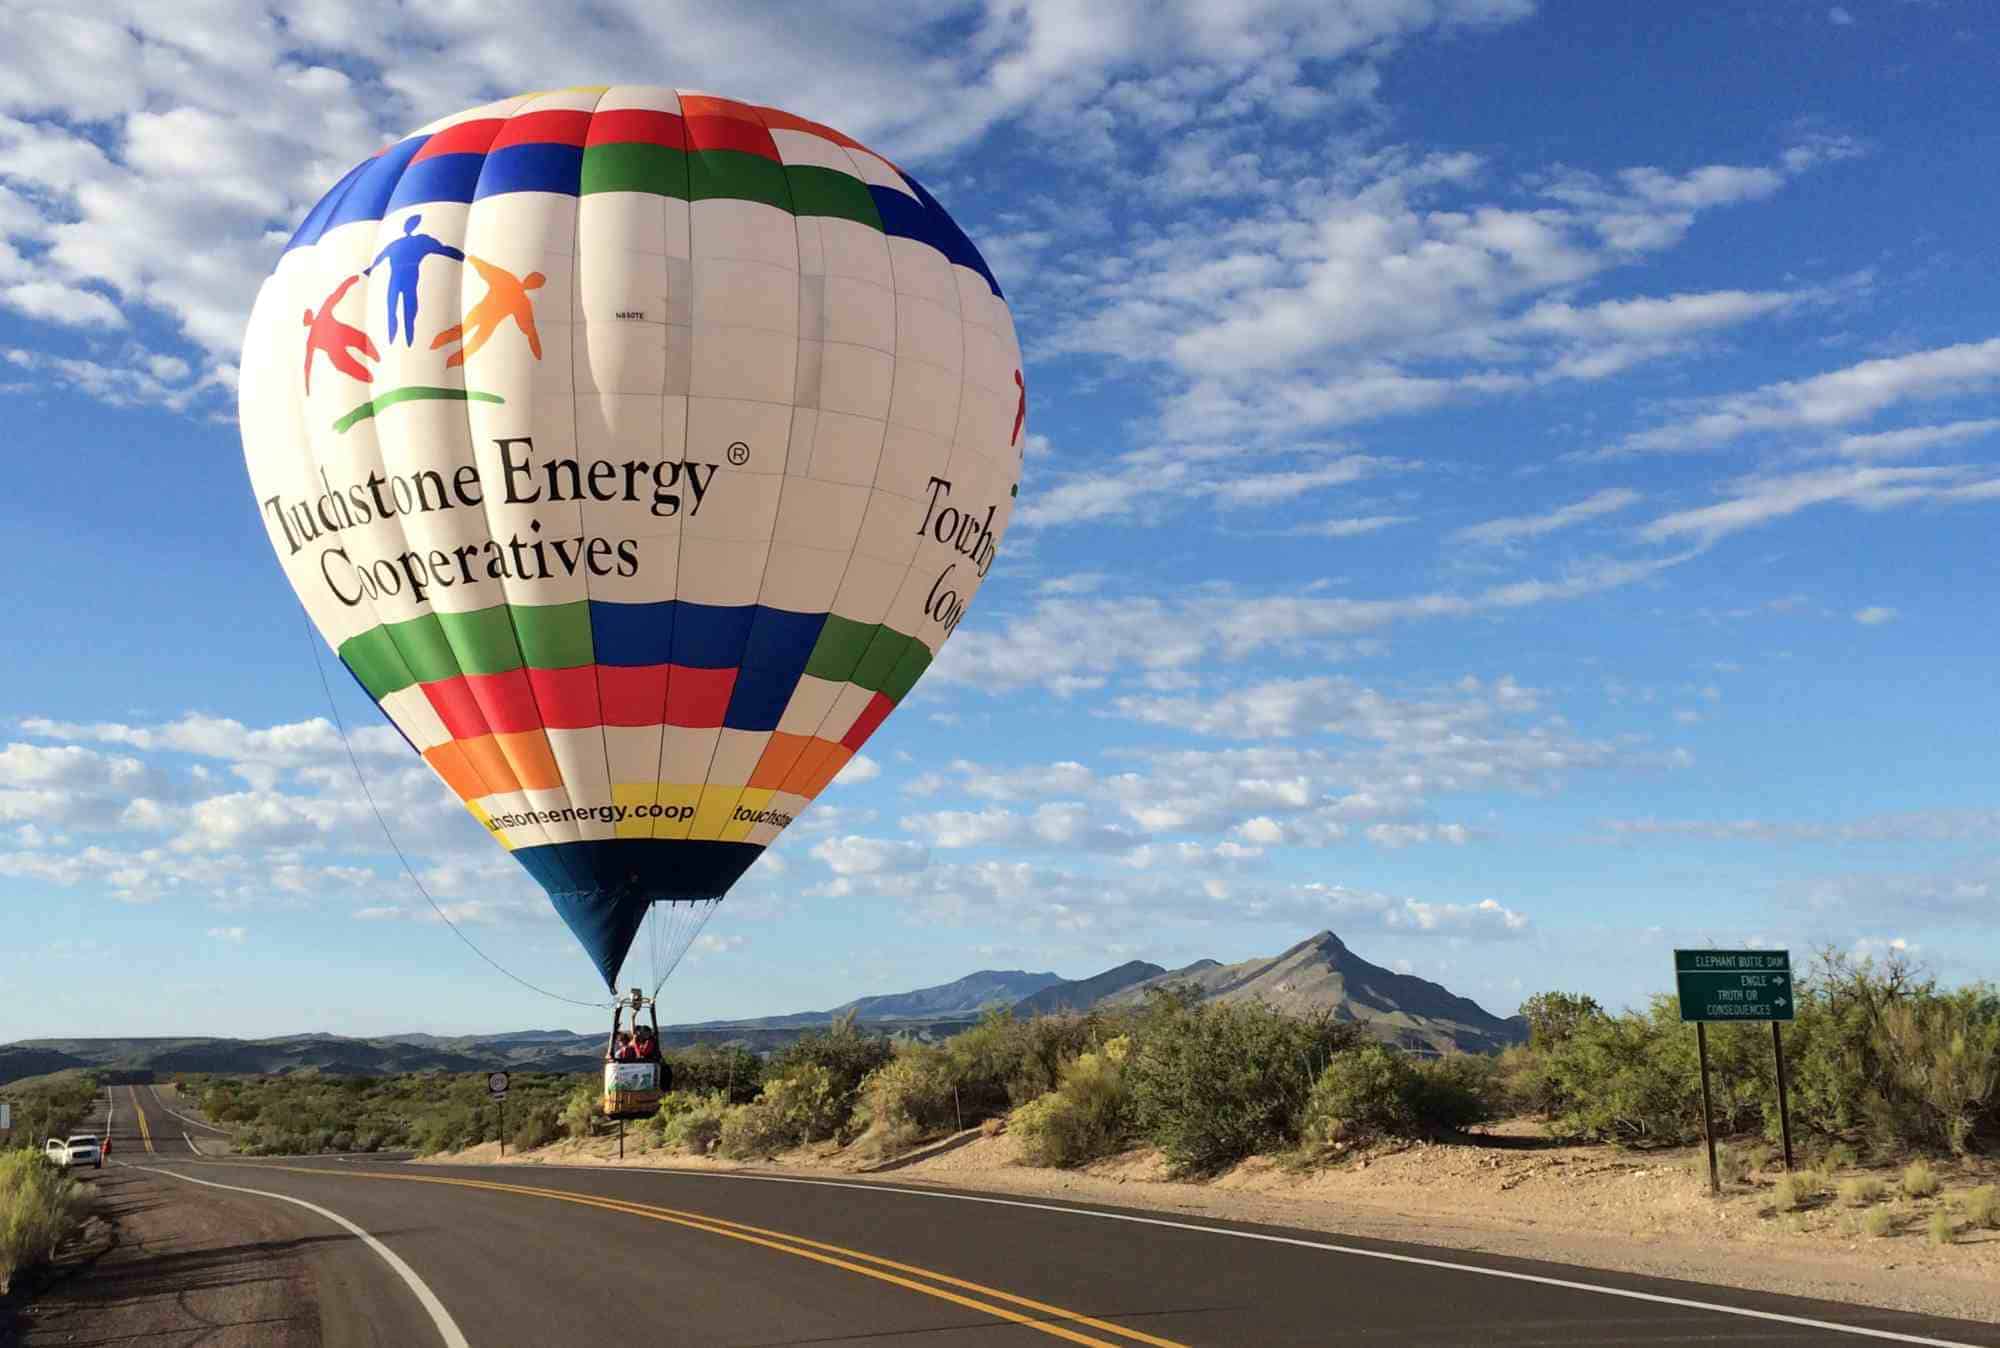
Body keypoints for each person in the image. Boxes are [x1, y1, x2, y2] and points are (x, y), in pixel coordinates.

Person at [363, 214, 464, 346]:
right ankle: (402, 341)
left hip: (401, 281)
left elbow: (442, 249)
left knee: (403, 310)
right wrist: (461, 256)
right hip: (404, 280)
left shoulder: (407, 243)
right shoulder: (417, 242)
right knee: (401, 310)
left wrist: (461, 256)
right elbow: (442, 249)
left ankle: (407, 342)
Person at [430, 254, 545, 367]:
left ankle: (447, 359)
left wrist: (537, 352)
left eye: (535, 283)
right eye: (534, 282)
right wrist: (473, 260)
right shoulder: (513, 287)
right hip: (480, 314)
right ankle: (439, 351)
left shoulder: (520, 297)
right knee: (465, 334)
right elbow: (487, 269)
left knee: (472, 341)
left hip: (485, 319)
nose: (532, 284)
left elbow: (530, 330)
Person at [302, 274, 377, 393]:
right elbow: (308, 364)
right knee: (354, 365)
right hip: (340, 347)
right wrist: (306, 386)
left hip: (344, 337)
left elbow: (337, 295)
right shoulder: (313, 334)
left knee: (363, 345)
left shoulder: (316, 329)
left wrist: (349, 282)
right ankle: (375, 377)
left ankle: (377, 369)